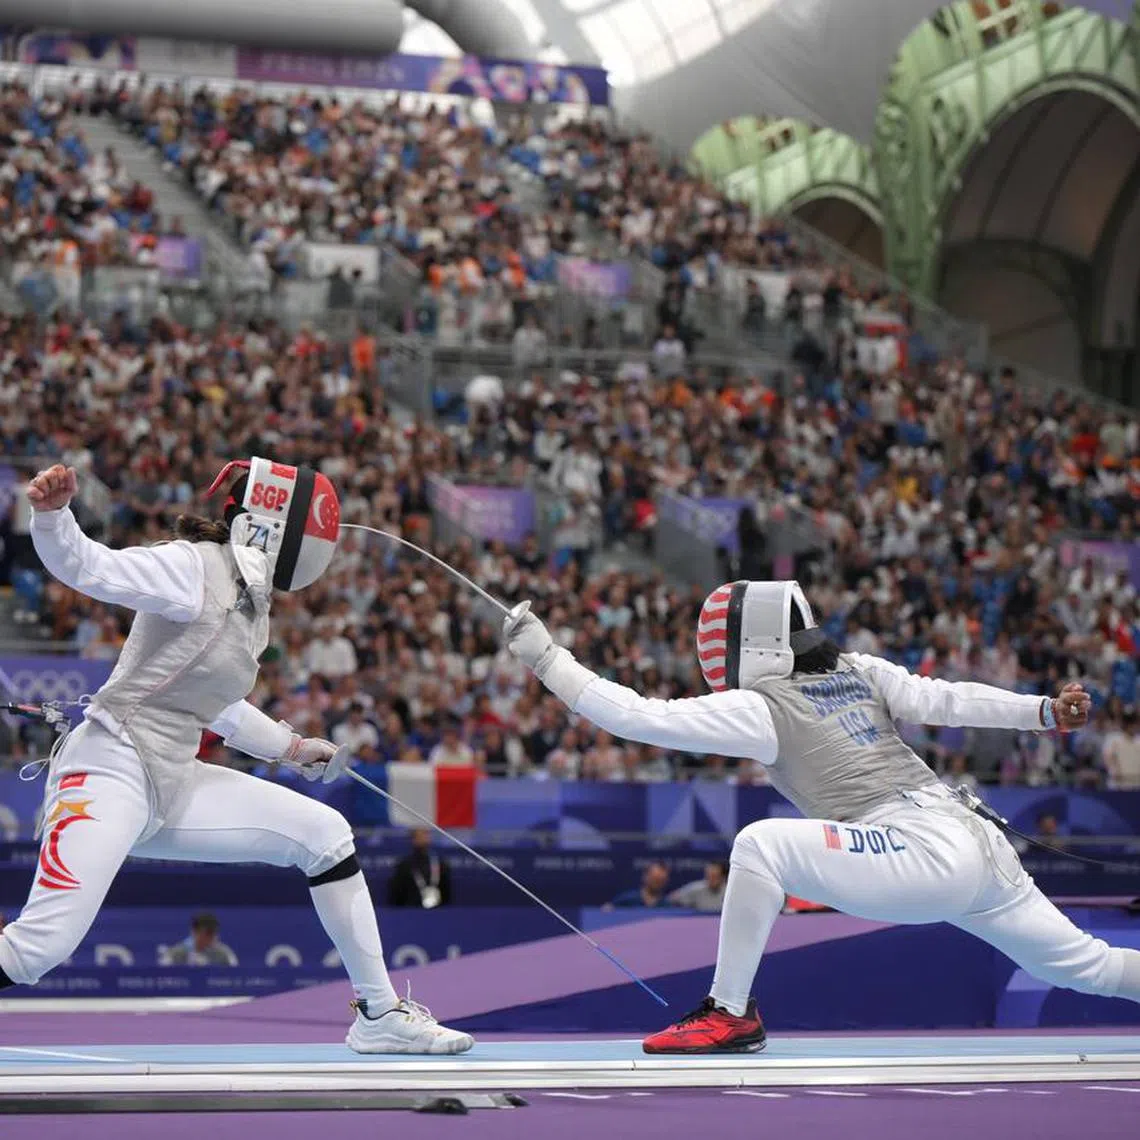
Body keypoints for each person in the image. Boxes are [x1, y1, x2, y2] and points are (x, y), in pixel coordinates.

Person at [503, 578, 1140, 1055]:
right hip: (976, 843)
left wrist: (546, 658)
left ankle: (729, 1013)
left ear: (749, 643)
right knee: (1089, 965)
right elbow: (946, 697)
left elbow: (639, 716)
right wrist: (1043, 712)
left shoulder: (763, 706)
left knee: (759, 846)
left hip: (919, 848)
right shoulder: (860, 671)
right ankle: (731, 1010)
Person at [0, 461, 471, 1055]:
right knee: (38, 950)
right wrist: (53, 516)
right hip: (109, 768)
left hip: (171, 781)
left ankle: (378, 1015)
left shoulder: (250, 606)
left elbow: (219, 705)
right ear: (275, 526)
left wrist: (294, 749)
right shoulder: (193, 566)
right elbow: (91, 566)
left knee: (324, 833)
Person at [387, 828, 451, 909]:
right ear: (413, 839)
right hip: (411, 910)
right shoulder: (404, 865)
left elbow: (446, 892)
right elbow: (397, 894)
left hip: (437, 911)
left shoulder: (440, 864)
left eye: (426, 834)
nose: (424, 838)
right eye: (419, 835)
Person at [165, 912, 238, 966]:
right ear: (194, 932)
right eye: (208, 933)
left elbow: (235, 975)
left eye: (214, 933)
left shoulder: (224, 953)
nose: (212, 937)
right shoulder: (175, 953)